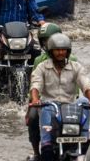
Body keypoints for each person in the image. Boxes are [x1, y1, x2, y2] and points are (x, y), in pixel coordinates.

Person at [29, 33, 90, 161]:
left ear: (68, 52)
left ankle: (83, 141)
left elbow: (86, 84)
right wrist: (35, 100)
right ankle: (44, 147)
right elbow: (36, 85)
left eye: (63, 50)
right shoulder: (42, 67)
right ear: (51, 51)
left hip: (71, 107)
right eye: (57, 50)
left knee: (84, 101)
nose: (60, 53)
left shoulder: (76, 67)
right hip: (49, 106)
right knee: (39, 121)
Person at [25, 24, 79, 161]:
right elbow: (35, 84)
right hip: (45, 103)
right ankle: (37, 152)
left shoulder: (72, 61)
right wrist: (32, 103)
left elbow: (79, 82)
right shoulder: (39, 61)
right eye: (44, 41)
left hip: (68, 101)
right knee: (32, 119)